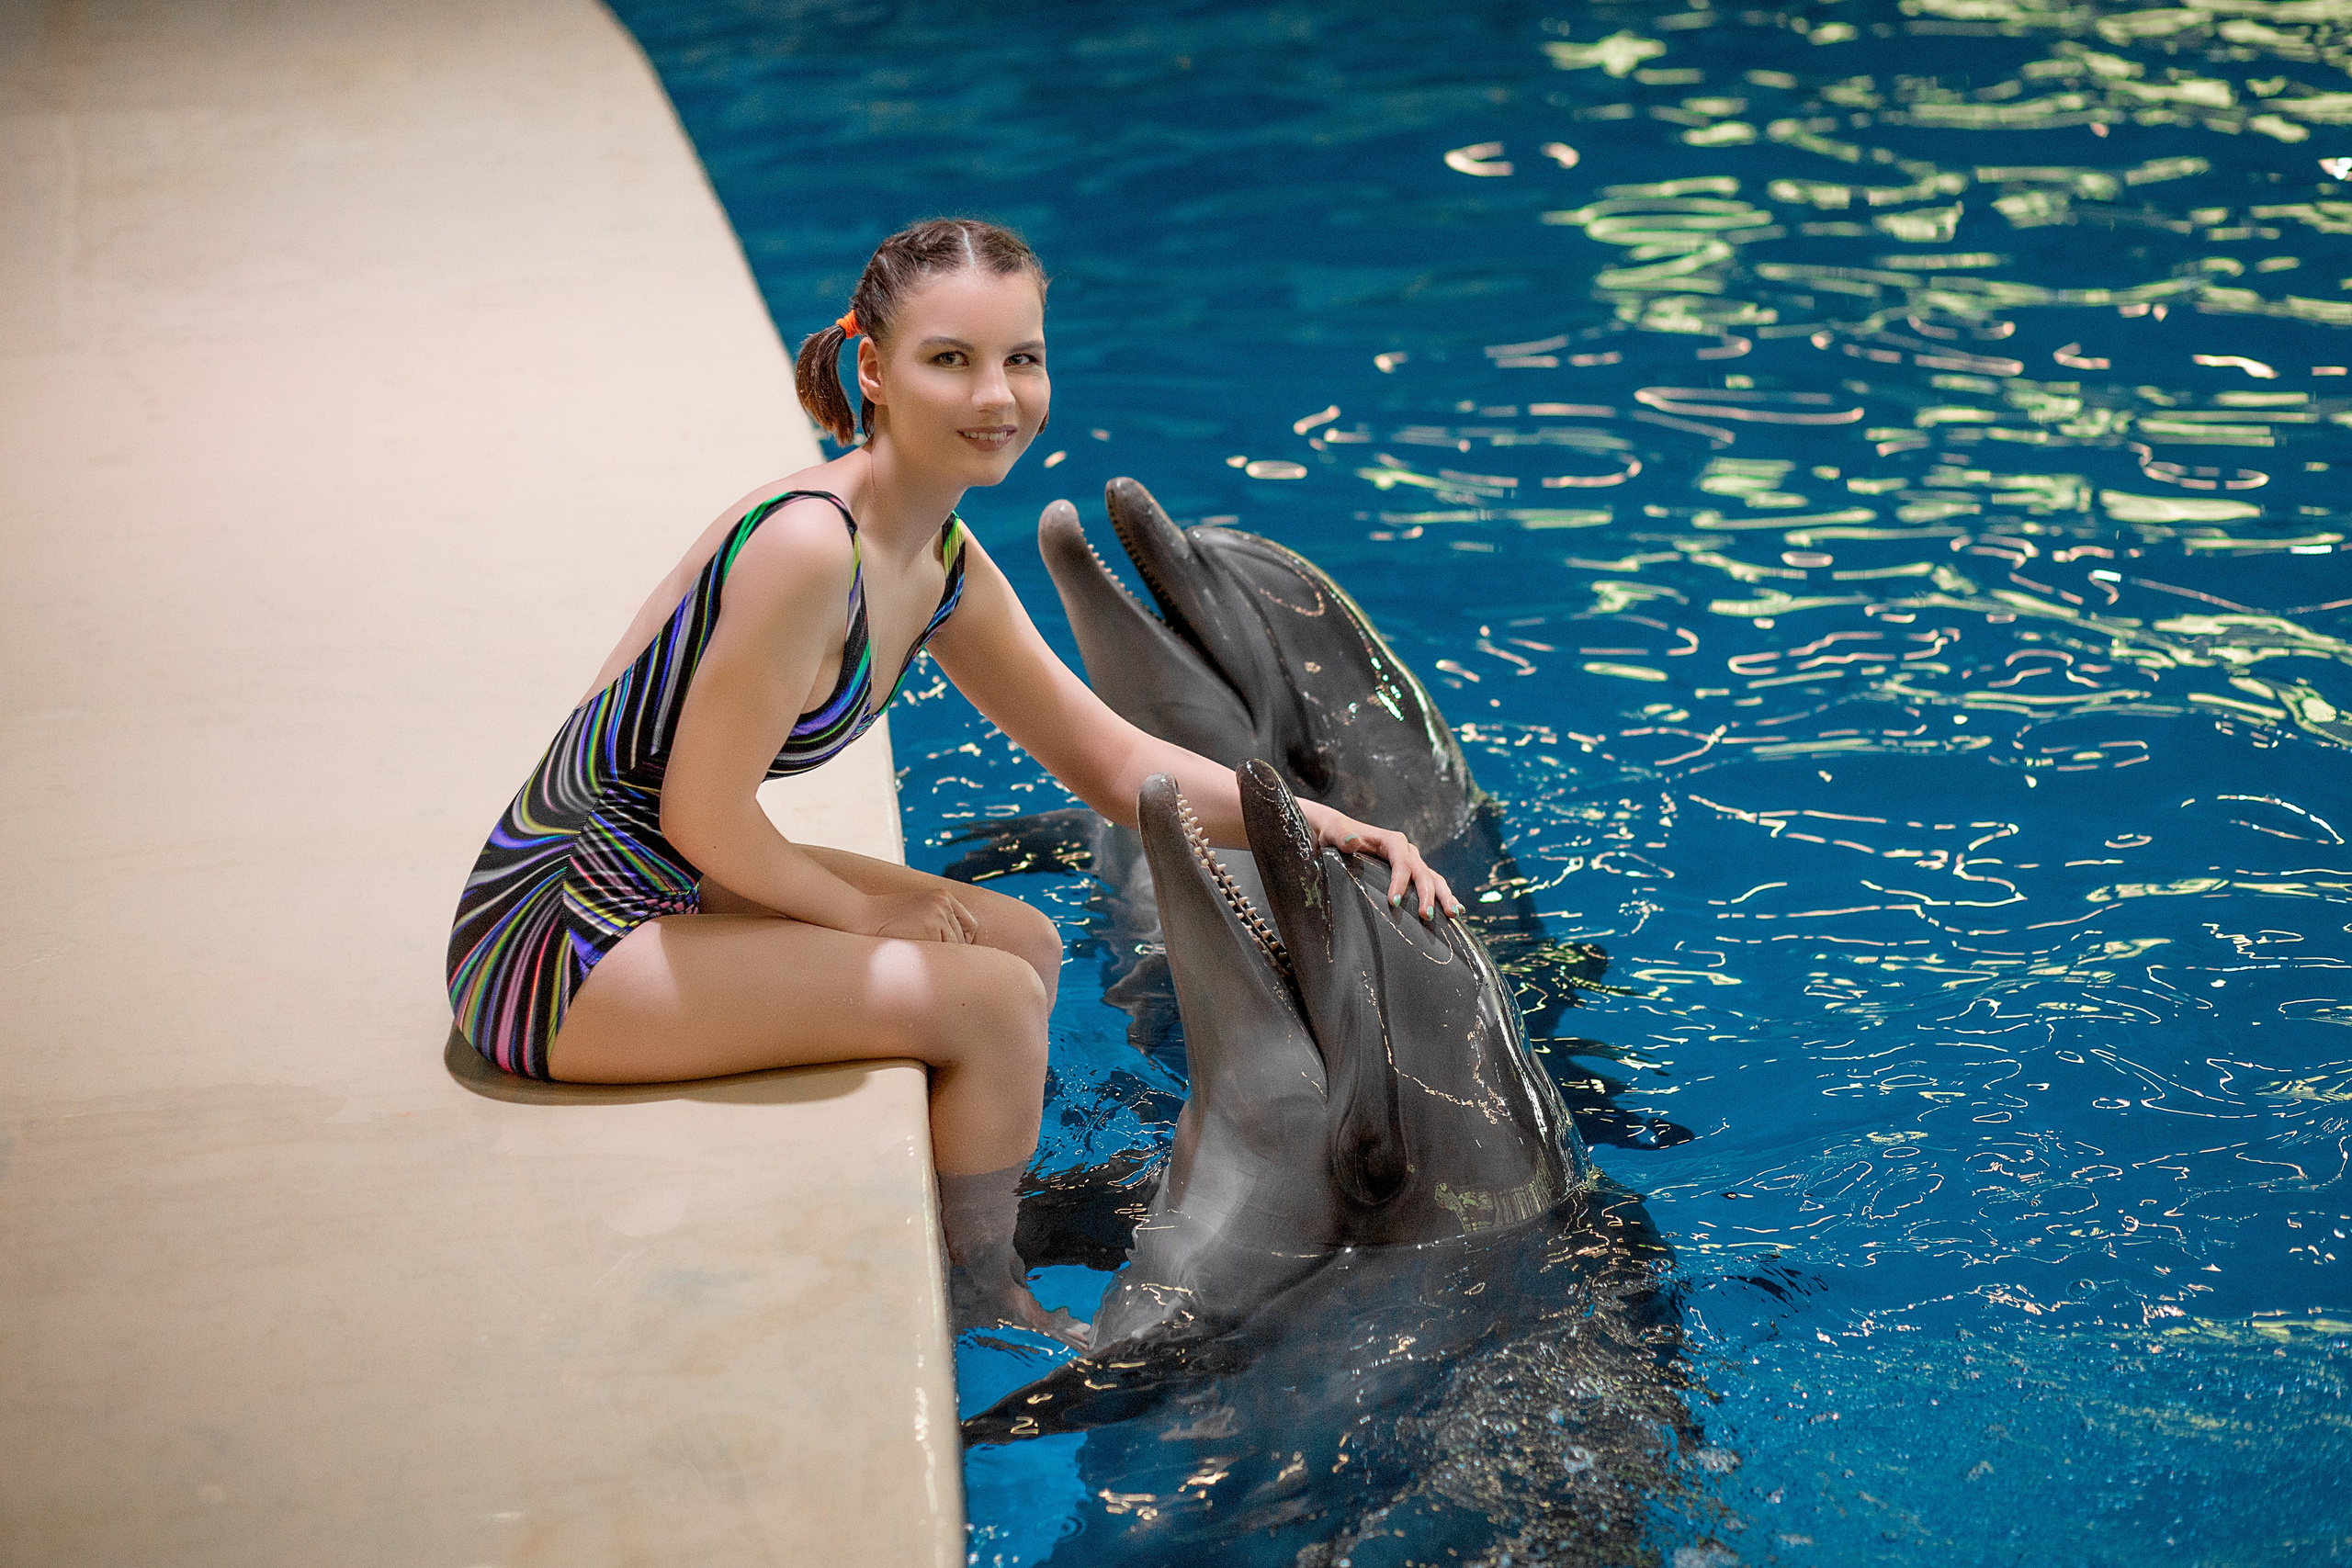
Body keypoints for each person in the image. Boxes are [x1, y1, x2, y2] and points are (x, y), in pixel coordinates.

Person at [447, 217, 1462, 1348]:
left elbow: (1109, 761)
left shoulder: (939, 562)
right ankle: (984, 1293)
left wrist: (1320, 827)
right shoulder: (808, 549)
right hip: (553, 941)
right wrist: (865, 913)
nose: (995, 395)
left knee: (1023, 942)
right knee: (990, 1003)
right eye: (950, 359)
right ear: (874, 371)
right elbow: (700, 811)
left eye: (1021, 358)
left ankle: (978, 1209)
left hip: (661, 881)